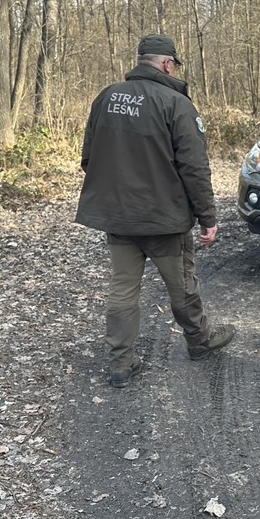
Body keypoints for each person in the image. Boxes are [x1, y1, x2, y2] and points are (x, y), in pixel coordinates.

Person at [76, 33, 236, 387]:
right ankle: (199, 340)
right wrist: (207, 218)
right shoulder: (176, 104)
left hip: (119, 219)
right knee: (181, 286)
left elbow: (89, 157)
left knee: (122, 289)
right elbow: (194, 168)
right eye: (174, 64)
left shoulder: (106, 97)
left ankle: (121, 362)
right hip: (164, 220)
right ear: (166, 64)